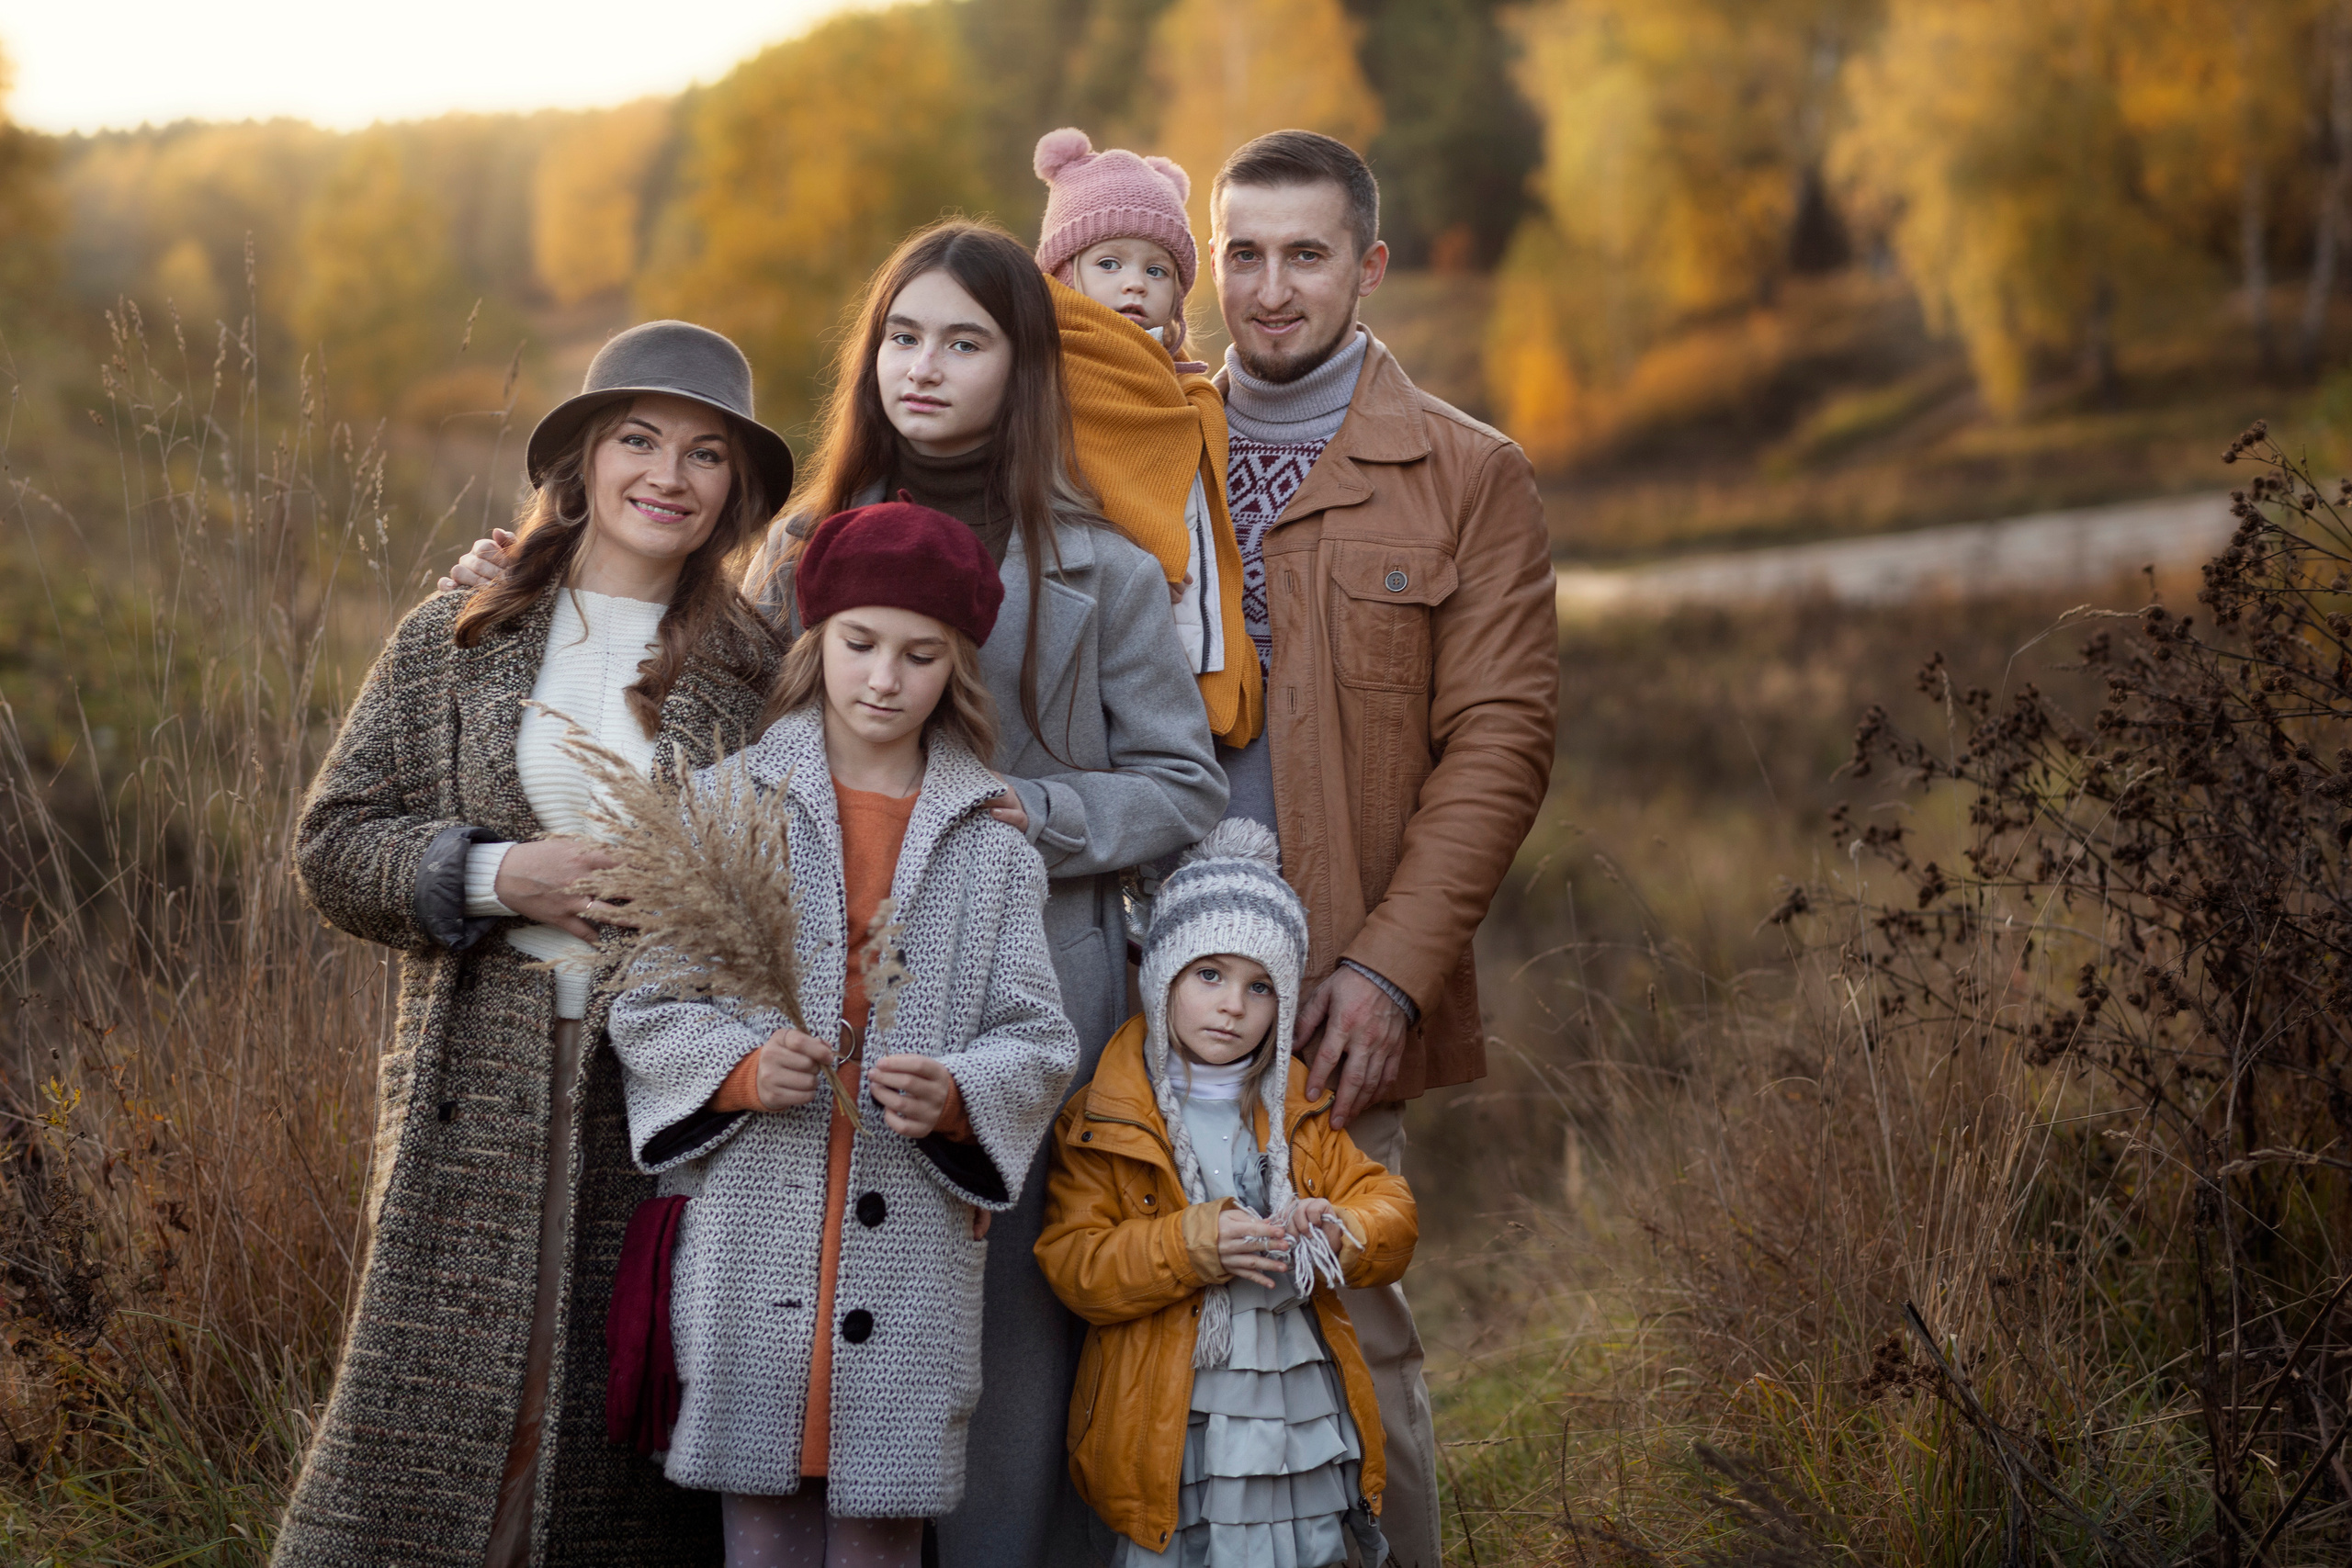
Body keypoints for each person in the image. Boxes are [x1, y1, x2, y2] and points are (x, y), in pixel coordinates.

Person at [441, 219, 1226, 1568]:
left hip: (1013, 983)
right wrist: (527, 580)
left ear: (1020, 367)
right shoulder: (804, 544)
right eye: (902, 337)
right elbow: (725, 691)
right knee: (800, 1371)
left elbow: (1182, 783)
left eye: (965, 341)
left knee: (985, 1352)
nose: (925, 368)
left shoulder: (1104, 559)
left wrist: (1018, 810)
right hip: (808, 996)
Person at [282, 320, 792, 1567]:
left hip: (658, 1109)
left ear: (736, 491)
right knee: (446, 1433)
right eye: (638, 439)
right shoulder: (462, 633)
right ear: (582, 461)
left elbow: (790, 895)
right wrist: (500, 872)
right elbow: (334, 843)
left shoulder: (758, 671)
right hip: (474, 1092)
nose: (668, 474)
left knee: (606, 1441)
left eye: (706, 453)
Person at [1200, 130, 1561, 1568]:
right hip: (1129, 967)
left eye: (1305, 253)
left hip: (1337, 986)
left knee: (1347, 1335)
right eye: (1242, 251)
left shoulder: (1469, 474)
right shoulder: (1148, 439)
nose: (1270, 287)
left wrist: (1389, 973)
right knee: (1137, 1331)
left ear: (1369, 265)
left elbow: (1500, 745)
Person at [608, 499, 1079, 1568]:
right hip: (749, 1239)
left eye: (919, 656)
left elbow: (1037, 1038)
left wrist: (960, 1094)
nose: (883, 678)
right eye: (859, 645)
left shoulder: (991, 841)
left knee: (879, 1536)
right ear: (816, 643)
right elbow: (647, 1005)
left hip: (910, 1248)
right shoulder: (725, 808)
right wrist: (736, 1068)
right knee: (761, 1539)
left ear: (954, 669)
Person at [1037, 819, 1417, 1566]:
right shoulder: (1108, 1117)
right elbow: (1076, 1263)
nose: (1232, 1005)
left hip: (1294, 1414)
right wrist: (1190, 1243)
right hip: (1177, 1422)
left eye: (1260, 985)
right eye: (1208, 974)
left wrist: (1337, 1226)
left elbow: (1392, 1209)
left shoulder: (1297, 1110)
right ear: (1163, 976)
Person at [1031, 128, 1261, 750]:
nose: (1135, 283)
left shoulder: (1181, 390)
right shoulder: (1047, 374)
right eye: (1109, 263)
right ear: (1061, 273)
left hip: (1174, 629)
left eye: (1156, 269)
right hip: (1083, 626)